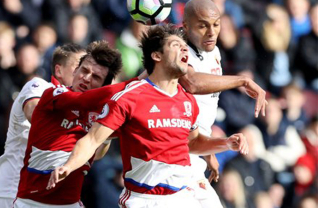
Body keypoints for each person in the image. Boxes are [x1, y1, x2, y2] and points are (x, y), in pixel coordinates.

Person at [47, 24, 248, 208]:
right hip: (145, 200)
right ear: (157, 56)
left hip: (182, 196)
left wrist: (226, 143)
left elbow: (193, 143)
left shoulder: (187, 101)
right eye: (176, 45)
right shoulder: (129, 97)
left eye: (185, 46)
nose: (184, 49)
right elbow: (92, 140)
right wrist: (69, 166)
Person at [14, 40, 125, 208]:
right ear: (75, 71)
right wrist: (138, 82)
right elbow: (82, 101)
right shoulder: (54, 94)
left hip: (70, 203)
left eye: (96, 77)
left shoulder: (102, 113)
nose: (86, 78)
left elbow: (99, 153)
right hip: (31, 203)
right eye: (84, 70)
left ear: (104, 86)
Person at [181, 0, 266, 207]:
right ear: (186, 26)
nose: (211, 32)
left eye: (216, 24)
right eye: (203, 25)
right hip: (173, 156)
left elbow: (200, 113)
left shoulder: (214, 53)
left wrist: (209, 150)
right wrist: (241, 80)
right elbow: (192, 83)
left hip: (195, 149)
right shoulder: (176, 51)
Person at [0, 43, 85, 208]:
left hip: (49, 198)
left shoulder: (81, 109)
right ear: (58, 70)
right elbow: (35, 115)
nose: (84, 76)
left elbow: (97, 151)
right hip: (11, 194)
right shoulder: (38, 86)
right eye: (78, 68)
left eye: (87, 70)